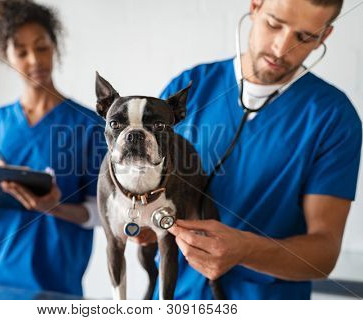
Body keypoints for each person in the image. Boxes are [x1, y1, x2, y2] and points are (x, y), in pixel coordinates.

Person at [138, 0, 362, 299]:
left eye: (305, 37)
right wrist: (143, 222)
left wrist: (246, 250)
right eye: (274, 24)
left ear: (324, 36)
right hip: (175, 297)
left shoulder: (333, 117)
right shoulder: (189, 89)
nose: (282, 47)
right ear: (255, 6)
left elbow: (323, 254)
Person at [0, 0, 106, 297]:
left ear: (55, 46)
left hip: (51, 286)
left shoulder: (89, 125)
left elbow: (101, 213)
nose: (34, 60)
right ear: (7, 56)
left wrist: (54, 208)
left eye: (41, 47)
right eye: (21, 52)